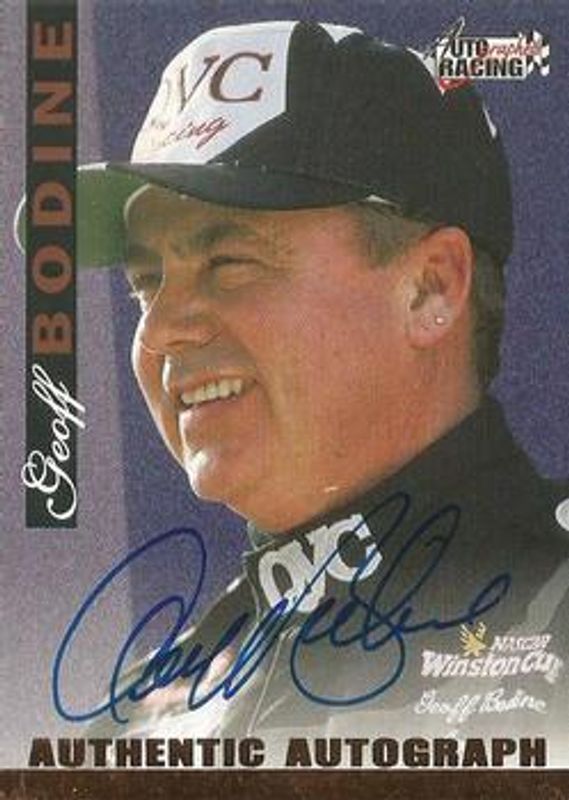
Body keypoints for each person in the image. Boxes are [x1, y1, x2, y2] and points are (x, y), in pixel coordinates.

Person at [17, 19, 569, 766]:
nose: (161, 328)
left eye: (230, 262)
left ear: (430, 288)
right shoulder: (137, 718)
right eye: (146, 283)